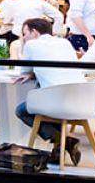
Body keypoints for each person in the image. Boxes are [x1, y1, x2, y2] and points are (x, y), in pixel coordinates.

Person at [16, 17, 85, 162]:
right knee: (49, 100)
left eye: (25, 34)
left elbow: (22, 70)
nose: (24, 37)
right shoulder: (65, 42)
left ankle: (64, 141)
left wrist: (30, 70)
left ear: (34, 32)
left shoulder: (32, 45)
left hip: (57, 101)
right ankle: (60, 147)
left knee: (22, 111)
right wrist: (34, 73)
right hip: (82, 100)